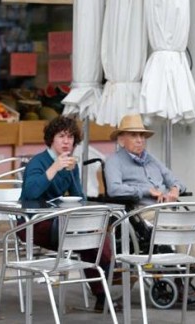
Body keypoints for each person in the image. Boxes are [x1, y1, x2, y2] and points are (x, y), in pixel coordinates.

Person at [19, 116, 117, 312]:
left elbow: (78, 197)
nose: (66, 141)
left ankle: (102, 294)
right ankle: (102, 293)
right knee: (87, 238)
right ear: (51, 139)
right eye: (61, 136)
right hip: (32, 224)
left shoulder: (71, 164)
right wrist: (55, 168)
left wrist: (71, 174)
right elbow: (30, 194)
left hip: (60, 222)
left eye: (71, 137)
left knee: (92, 236)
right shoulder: (38, 162)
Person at [105, 114, 186, 206]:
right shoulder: (114, 160)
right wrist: (146, 191)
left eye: (142, 135)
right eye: (133, 135)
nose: (140, 140)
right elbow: (114, 189)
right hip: (140, 212)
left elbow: (175, 181)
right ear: (121, 140)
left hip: (166, 208)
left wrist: (175, 189)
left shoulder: (151, 158)